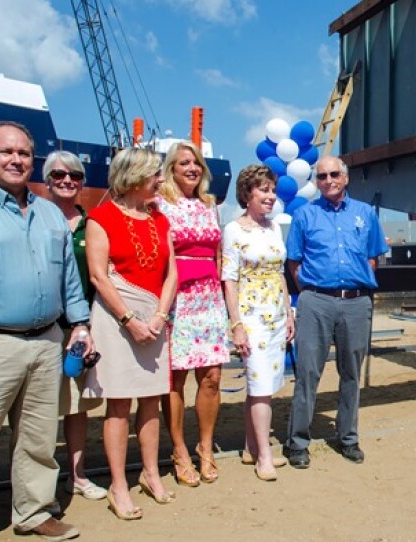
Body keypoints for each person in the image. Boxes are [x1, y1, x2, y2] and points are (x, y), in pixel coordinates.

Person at [0, 121, 91, 541]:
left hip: (47, 341)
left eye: (24, 153)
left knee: (38, 437)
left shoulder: (47, 212)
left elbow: (70, 283)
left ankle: (34, 512)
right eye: (6, 152)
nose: (16, 159)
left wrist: (80, 325)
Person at [83, 147, 178, 520]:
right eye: (154, 173)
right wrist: (129, 320)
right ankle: (118, 485)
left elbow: (171, 273)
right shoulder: (101, 217)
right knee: (119, 404)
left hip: (153, 316)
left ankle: (151, 474)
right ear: (133, 176)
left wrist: (158, 315)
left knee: (153, 399)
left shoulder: (160, 219)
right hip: (116, 319)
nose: (160, 180)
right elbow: (98, 276)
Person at [285, 155, 389, 468]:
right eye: (321, 176)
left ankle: (348, 438)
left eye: (333, 174)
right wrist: (310, 292)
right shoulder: (305, 215)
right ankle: (298, 443)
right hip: (316, 302)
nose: (328, 180)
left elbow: (373, 257)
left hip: (356, 303)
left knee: (351, 374)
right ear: (315, 182)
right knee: (307, 373)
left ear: (345, 178)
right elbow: (294, 261)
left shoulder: (365, 214)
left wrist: (354, 289)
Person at [156, 141, 229, 487]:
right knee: (175, 379)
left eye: (196, 162)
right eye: (184, 162)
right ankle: (179, 450)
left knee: (212, 376)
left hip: (208, 299)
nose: (192, 168)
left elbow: (217, 255)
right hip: (176, 299)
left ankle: (205, 447)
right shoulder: (160, 203)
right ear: (171, 167)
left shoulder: (210, 205)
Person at [222, 164, 295, 481]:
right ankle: (265, 455)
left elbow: (280, 272)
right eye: (263, 190)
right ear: (247, 193)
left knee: (262, 386)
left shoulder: (274, 228)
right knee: (261, 386)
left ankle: (251, 447)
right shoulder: (234, 230)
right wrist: (236, 323)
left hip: (277, 315)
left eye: (272, 190)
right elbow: (229, 279)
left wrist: (289, 311)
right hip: (252, 317)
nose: (270, 196)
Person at [44, 150, 107, 502]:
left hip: (83, 328)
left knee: (76, 407)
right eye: (58, 175)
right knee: (38, 407)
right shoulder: (36, 218)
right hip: (44, 327)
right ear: (48, 181)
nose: (67, 180)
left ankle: (77, 475)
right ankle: (37, 483)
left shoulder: (92, 223)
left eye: (75, 175)